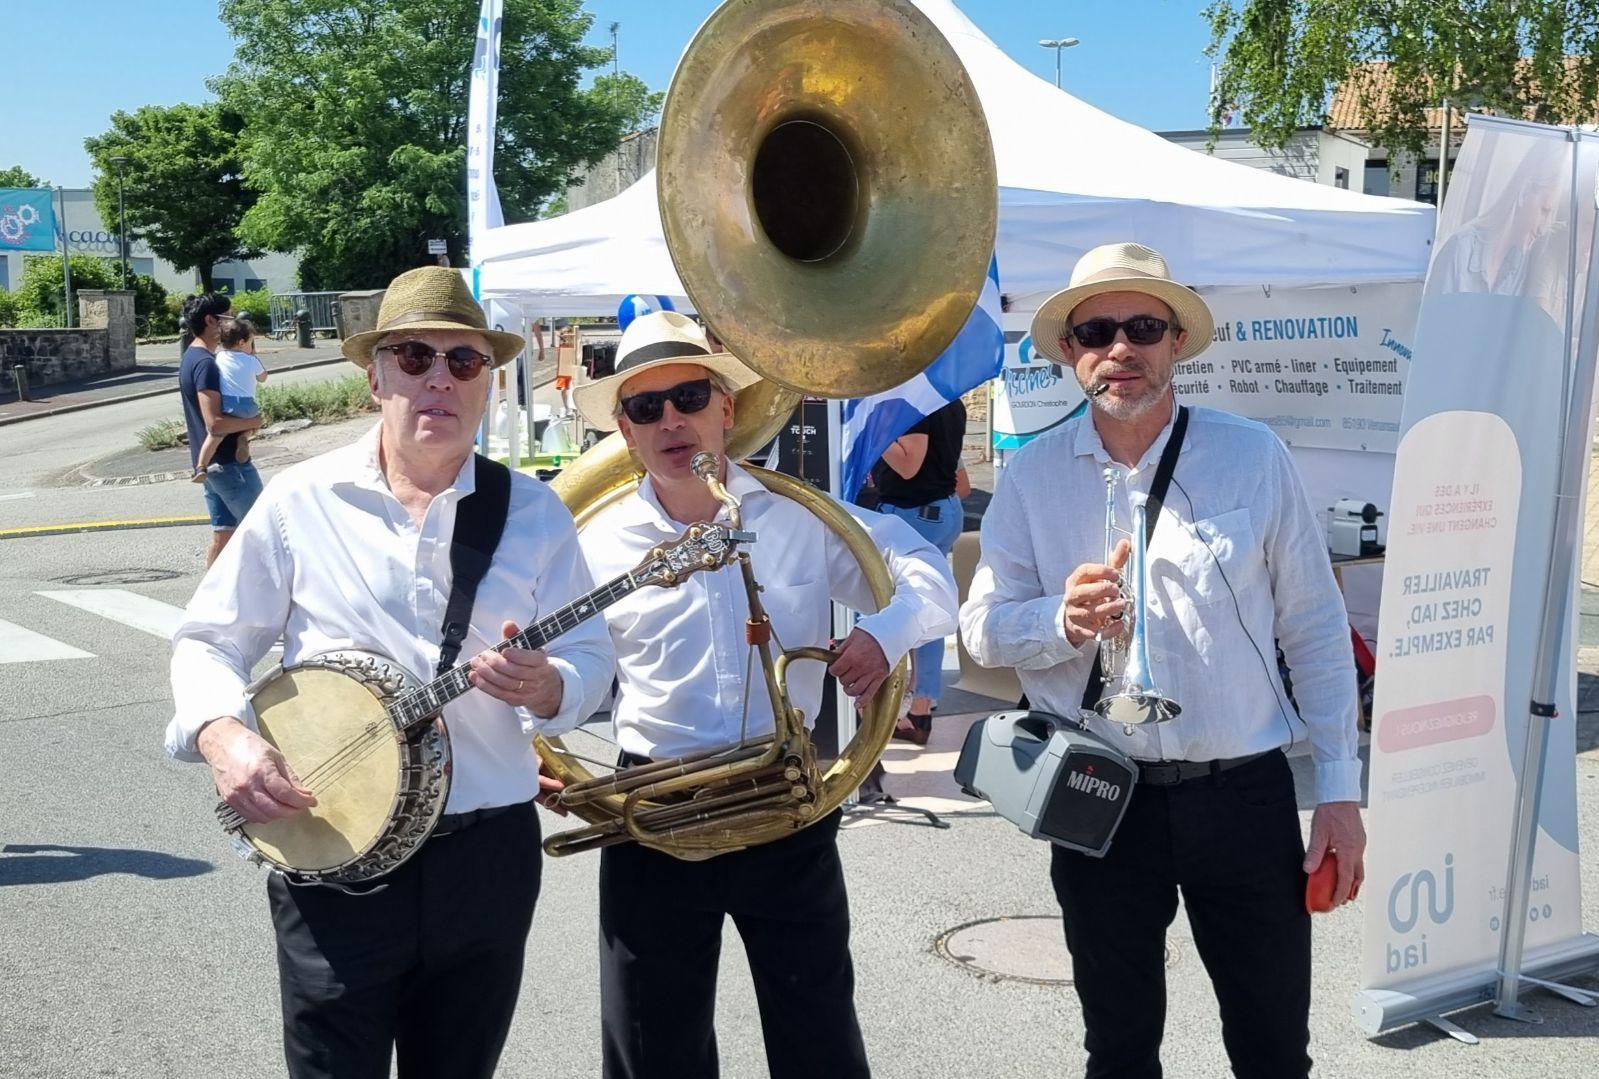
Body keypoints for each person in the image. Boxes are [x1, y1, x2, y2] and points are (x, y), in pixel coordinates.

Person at [165, 266, 615, 1079]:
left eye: (463, 362)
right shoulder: (300, 500)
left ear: (486, 380)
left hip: (485, 857)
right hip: (332, 850)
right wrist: (223, 734)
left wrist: (551, 687)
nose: (438, 378)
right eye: (412, 357)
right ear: (374, 375)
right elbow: (207, 638)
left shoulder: (535, 512)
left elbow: (592, 662)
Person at [959, 242, 1366, 1079]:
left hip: (1243, 795)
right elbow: (981, 632)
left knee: (1272, 1048)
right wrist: (1057, 620)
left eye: (1142, 325)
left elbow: (1316, 629)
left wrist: (1339, 792)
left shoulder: (1251, 454)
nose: (1119, 347)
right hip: (1098, 800)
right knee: (1116, 1048)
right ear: (1070, 353)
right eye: (1095, 330)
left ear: (1176, 339)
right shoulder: (1033, 477)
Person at [570, 310, 959, 1079]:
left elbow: (927, 572)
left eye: (687, 396)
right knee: (652, 1048)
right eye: (646, 407)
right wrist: (536, 721)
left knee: (817, 1037)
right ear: (623, 427)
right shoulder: (591, 538)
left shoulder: (801, 516)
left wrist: (885, 633)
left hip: (787, 802)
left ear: (726, 407)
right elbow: (559, 666)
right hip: (654, 808)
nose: (670, 420)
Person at [870, 397, 967, 746]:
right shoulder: (949, 400)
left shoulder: (912, 403)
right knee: (927, 608)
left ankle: (899, 711)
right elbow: (961, 479)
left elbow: (909, 464)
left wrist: (874, 429)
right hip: (940, 510)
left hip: (916, 514)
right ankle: (920, 705)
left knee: (897, 611)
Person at [178, 292, 262, 565]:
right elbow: (215, 423)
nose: (232, 321)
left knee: (224, 535)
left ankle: (207, 603)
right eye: (227, 316)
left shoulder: (193, 357)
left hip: (214, 465)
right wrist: (253, 422)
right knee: (263, 528)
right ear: (210, 320)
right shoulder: (206, 364)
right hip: (228, 465)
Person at [192, 316, 267, 482]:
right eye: (251, 343)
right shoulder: (252, 360)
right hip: (249, 407)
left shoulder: (218, 357)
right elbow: (263, 378)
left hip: (228, 405)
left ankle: (201, 466)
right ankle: (244, 436)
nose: (252, 347)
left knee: (215, 436)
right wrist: (253, 361)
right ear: (241, 343)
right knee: (253, 424)